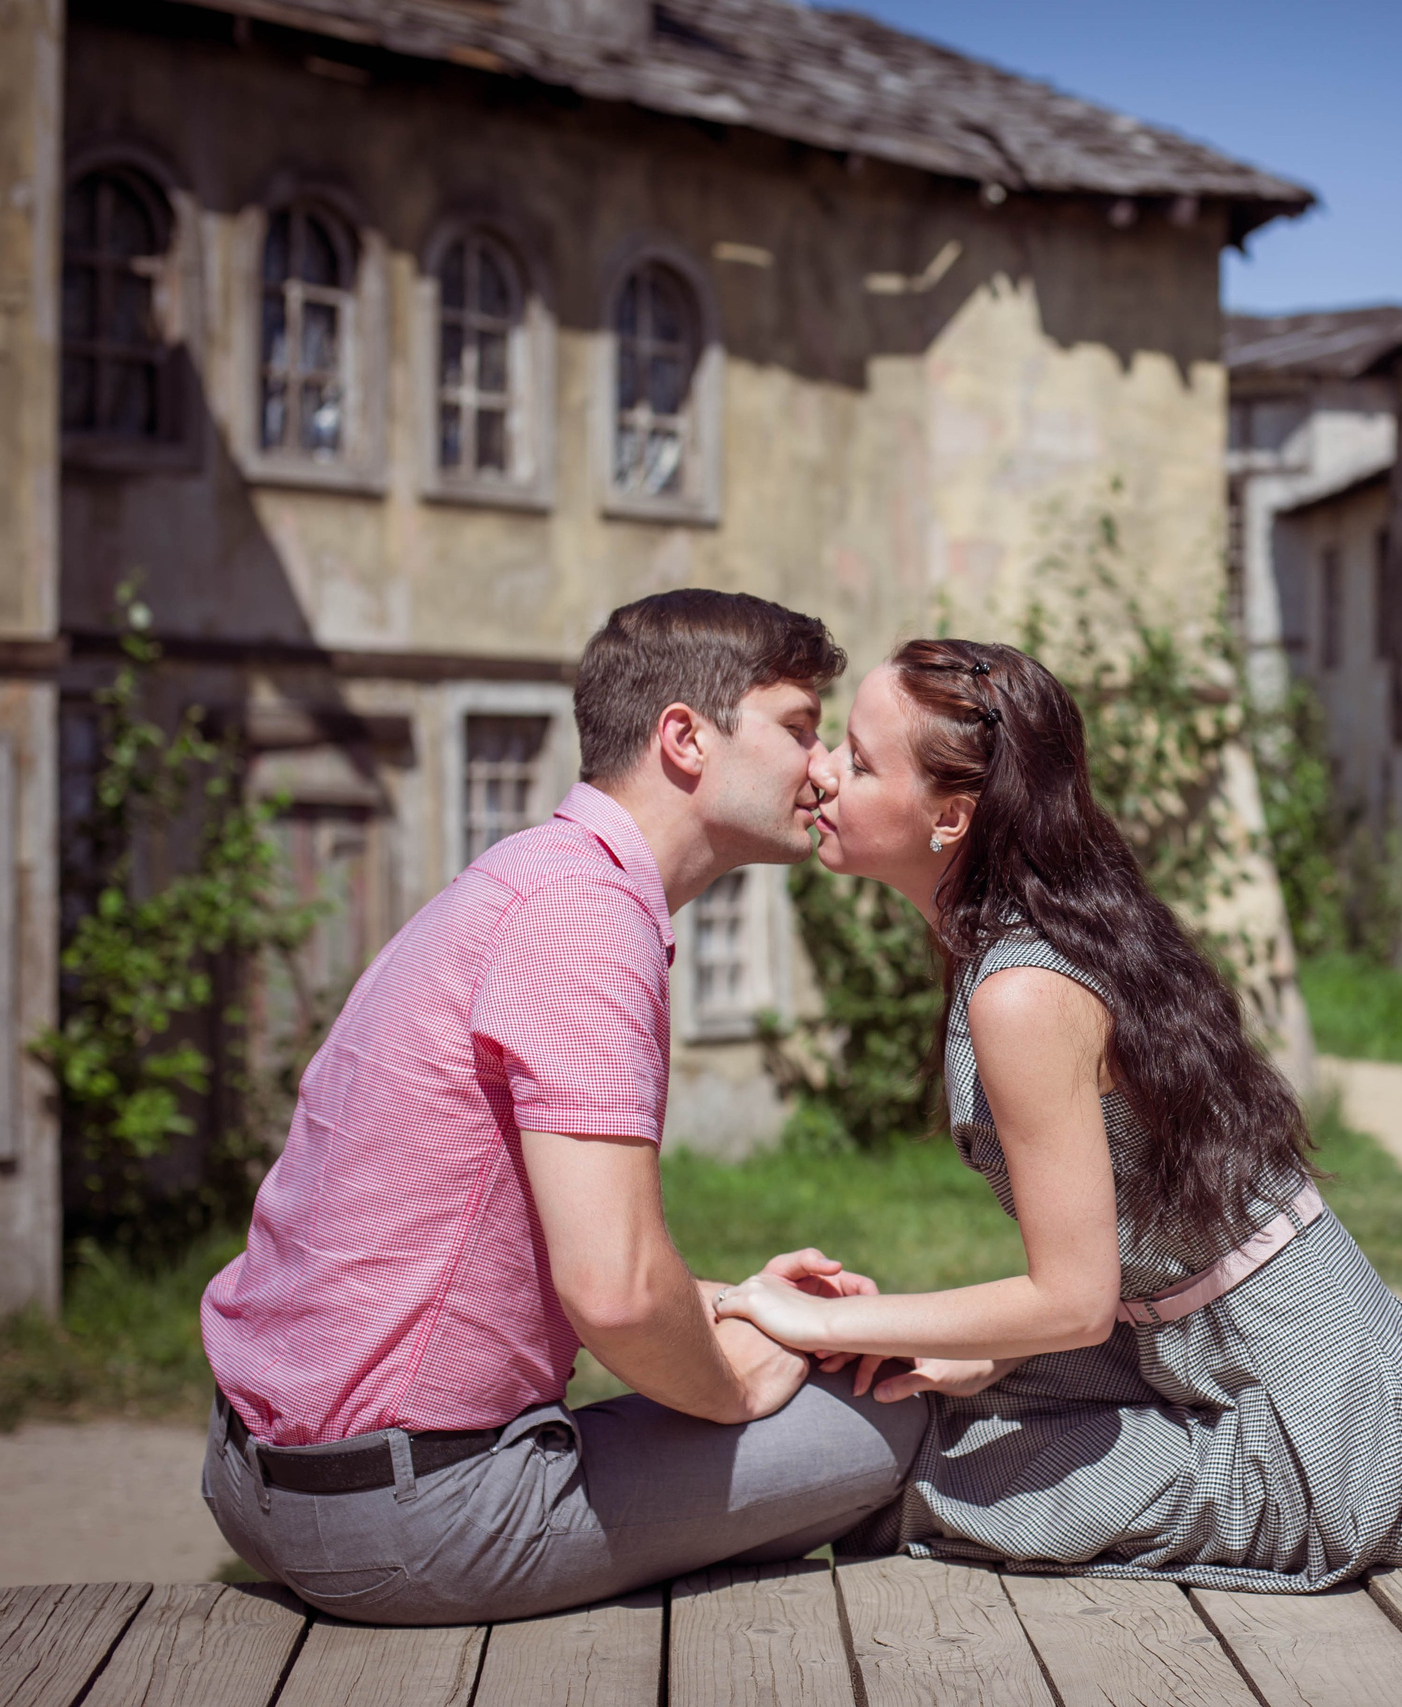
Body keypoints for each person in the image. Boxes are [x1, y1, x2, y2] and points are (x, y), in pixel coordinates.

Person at [713, 638, 1402, 1590]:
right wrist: (960, 1349)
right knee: (920, 1408)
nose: (822, 772)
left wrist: (815, 1318)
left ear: (951, 815)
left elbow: (1072, 1300)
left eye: (858, 757)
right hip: (1217, 1356)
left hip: (1320, 1435)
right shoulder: (1039, 936)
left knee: (920, 1478)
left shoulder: (1021, 989)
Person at [199, 591, 927, 1626]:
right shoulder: (585, 919)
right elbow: (616, 1294)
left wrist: (742, 1307)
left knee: (813, 1376)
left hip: (264, 1474)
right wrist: (735, 1378)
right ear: (685, 738)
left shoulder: (530, 879)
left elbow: (530, 1248)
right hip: (405, 1515)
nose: (823, 769)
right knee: (890, 1414)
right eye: (800, 729)